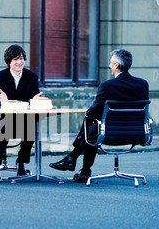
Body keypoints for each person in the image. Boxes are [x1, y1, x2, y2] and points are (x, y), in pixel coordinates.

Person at [49, 49, 149, 183]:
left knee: (92, 126)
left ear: (117, 65)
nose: (109, 66)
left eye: (111, 63)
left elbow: (93, 111)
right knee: (94, 128)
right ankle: (78, 166)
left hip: (110, 133)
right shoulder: (142, 84)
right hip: (136, 132)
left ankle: (75, 161)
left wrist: (88, 118)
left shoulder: (107, 86)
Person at [0, 44, 44, 178]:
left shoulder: (31, 77)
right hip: (4, 119)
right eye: (16, 59)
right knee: (3, 127)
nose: (20, 62)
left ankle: (21, 163)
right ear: (9, 61)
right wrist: (4, 102)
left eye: (22, 58)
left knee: (32, 127)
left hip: (24, 120)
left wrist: (36, 102)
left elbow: (34, 100)